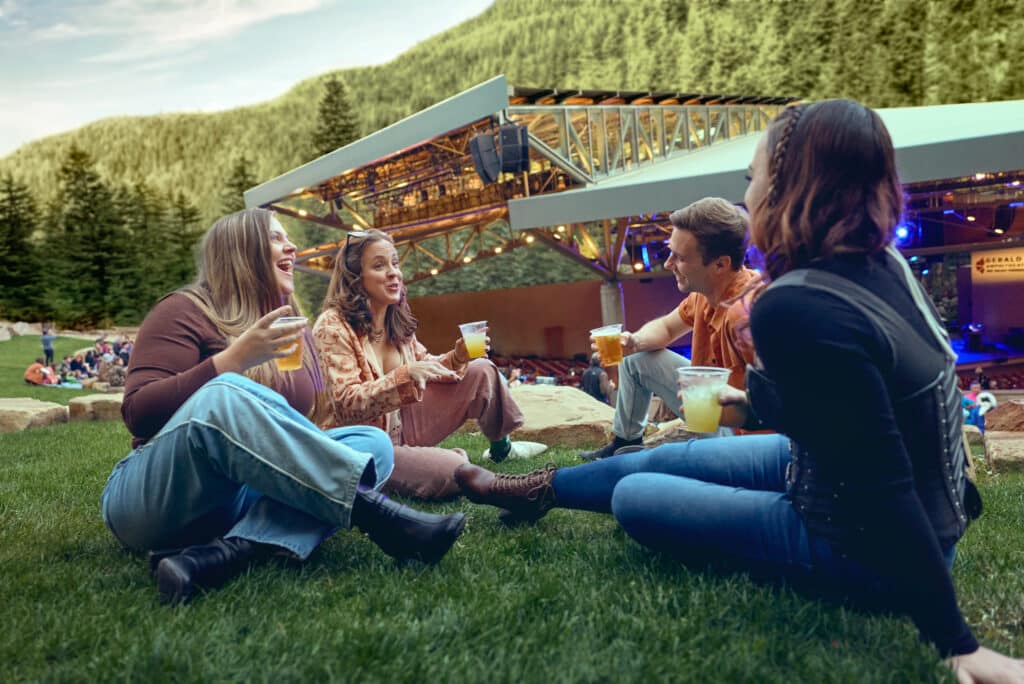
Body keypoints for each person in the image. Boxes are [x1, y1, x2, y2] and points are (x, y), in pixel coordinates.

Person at [455, 100, 1024, 681]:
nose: (746, 198)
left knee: (636, 496)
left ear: (791, 188)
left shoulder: (792, 303)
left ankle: (549, 490)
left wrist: (956, 641)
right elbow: (851, 409)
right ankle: (535, 490)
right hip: (853, 485)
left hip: (865, 544)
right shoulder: (885, 266)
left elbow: (887, 480)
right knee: (667, 458)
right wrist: (751, 405)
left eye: (752, 178)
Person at [101, 209, 466, 606]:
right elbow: (138, 413)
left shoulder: (295, 330)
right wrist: (232, 360)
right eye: (276, 238)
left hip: (236, 502)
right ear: (241, 249)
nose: (292, 247)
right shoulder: (184, 310)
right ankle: (377, 517)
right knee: (226, 392)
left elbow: (314, 420)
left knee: (371, 444)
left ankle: (224, 555)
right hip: (161, 497)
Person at [312, 229, 546, 500]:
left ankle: (502, 450)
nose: (393, 273)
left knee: (481, 369)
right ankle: (428, 465)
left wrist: (456, 358)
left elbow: (425, 366)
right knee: (454, 469)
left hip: (404, 423)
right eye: (379, 266)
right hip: (367, 445)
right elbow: (345, 404)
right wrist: (404, 375)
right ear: (355, 277)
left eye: (395, 263)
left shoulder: (394, 319)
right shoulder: (332, 326)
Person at [579, 197, 759, 461]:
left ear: (720, 264)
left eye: (680, 257)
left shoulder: (749, 313)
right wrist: (633, 342)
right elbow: (666, 327)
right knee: (635, 360)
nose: (667, 264)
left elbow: (782, 405)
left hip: (749, 442)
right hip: (711, 414)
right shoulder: (703, 296)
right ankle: (625, 442)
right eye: (670, 252)